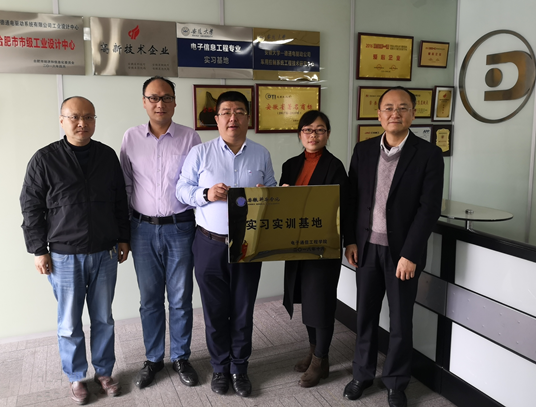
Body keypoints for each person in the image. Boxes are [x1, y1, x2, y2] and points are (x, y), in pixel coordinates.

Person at [20, 96, 130, 405]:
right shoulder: (44, 159)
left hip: (105, 253)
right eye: (75, 117)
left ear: (95, 120)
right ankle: (76, 376)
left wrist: (124, 238)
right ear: (62, 121)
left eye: (89, 117)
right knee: (69, 323)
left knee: (104, 318)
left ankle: (104, 372)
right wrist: (38, 250)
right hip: (63, 256)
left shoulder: (107, 156)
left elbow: (120, 200)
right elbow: (31, 207)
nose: (82, 123)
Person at [342, 87, 444, 407]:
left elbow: (429, 208)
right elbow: (353, 199)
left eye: (402, 108)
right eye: (388, 108)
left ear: (413, 114)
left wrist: (410, 254)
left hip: (402, 254)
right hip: (367, 249)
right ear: (378, 115)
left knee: (400, 320)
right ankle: (362, 374)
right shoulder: (363, 150)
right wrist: (351, 240)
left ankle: (396, 382)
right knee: (365, 316)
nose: (394, 113)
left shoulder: (428, 154)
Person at [176, 91, 276, 398]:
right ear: (217, 119)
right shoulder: (200, 153)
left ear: (248, 118)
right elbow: (181, 190)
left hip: (248, 242)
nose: (233, 118)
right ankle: (220, 367)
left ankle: (239, 368)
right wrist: (206, 194)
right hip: (209, 243)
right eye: (226, 112)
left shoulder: (261, 153)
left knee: (243, 309)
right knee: (215, 310)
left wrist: (266, 194)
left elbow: (272, 189)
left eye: (239, 112)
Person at [120, 76, 202, 389]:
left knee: (180, 298)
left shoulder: (190, 137)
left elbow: (197, 182)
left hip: (181, 228)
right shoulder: (130, 137)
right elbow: (125, 185)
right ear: (144, 102)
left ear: (175, 102)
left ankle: (181, 357)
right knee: (150, 299)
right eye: (153, 98)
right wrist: (124, 231)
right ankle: (153, 359)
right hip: (141, 230)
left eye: (166, 97)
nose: (160, 104)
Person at [279, 110, 349, 388]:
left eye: (320, 130)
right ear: (300, 134)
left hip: (323, 246)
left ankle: (321, 359)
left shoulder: (335, 166)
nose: (313, 135)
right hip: (296, 244)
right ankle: (314, 351)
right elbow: (282, 206)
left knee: (321, 301)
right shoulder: (290, 165)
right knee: (306, 300)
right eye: (308, 130)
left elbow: (343, 207)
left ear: (327, 134)